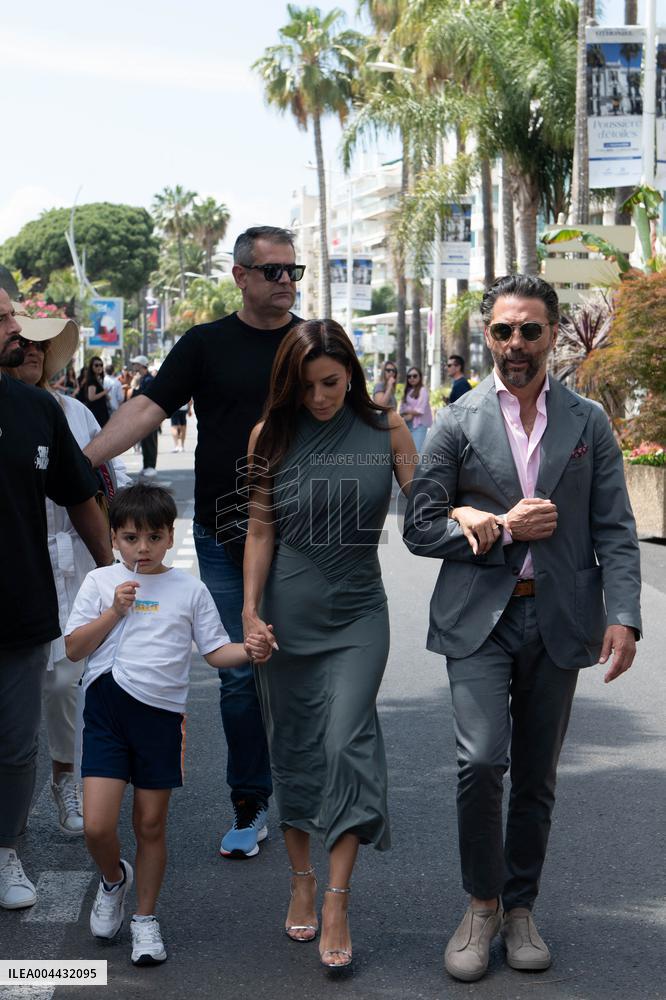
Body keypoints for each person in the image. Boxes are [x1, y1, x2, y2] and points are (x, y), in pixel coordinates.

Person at [403, 274, 642, 983]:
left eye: (529, 330)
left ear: (554, 334)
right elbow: (420, 523)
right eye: (503, 330)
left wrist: (623, 614)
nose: (516, 344)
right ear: (487, 336)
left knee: (536, 775)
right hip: (480, 616)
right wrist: (496, 527)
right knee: (480, 763)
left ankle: (520, 908)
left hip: (560, 615)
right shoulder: (458, 419)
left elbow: (615, 530)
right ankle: (481, 903)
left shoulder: (588, 421)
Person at [84, 226, 306, 859]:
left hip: (303, 537)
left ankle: (310, 797)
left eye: (294, 270)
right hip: (221, 532)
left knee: (301, 668)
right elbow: (150, 407)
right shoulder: (205, 344)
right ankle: (250, 803)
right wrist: (82, 462)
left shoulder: (310, 342)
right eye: (272, 271)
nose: (286, 281)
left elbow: (360, 415)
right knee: (240, 677)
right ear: (240, 276)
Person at [242, 319, 416, 972]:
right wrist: (250, 612)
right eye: (308, 385)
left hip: (359, 615)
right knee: (294, 749)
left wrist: (473, 516)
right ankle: (301, 879)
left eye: (332, 383)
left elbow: (424, 510)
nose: (320, 397)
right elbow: (260, 532)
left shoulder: (386, 429)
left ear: (352, 374)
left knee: (345, 744)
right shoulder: (271, 435)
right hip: (287, 616)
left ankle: (338, 898)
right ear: (289, 384)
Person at [64, 483, 271, 966]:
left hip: (160, 718)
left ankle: (145, 920)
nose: (143, 548)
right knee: (96, 825)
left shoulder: (189, 588)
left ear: (169, 537)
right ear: (114, 537)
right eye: (131, 537)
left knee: (151, 824)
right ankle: (114, 879)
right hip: (106, 714)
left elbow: (217, 650)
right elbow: (74, 649)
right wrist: (115, 611)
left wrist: (253, 651)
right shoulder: (100, 584)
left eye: (153, 537)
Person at [0, 289, 112, 911]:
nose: (19, 333)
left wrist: (120, 577)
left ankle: (7, 849)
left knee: (22, 736)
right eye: (6, 320)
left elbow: (84, 496)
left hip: (30, 596)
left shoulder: (43, 412)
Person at [129, 356, 158, 477]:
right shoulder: (143, 379)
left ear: (141, 365)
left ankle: (151, 465)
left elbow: (145, 396)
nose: (133, 366)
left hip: (150, 414)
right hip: (144, 414)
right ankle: (146, 465)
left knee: (150, 440)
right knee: (145, 441)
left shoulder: (149, 380)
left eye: (135, 364)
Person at [399, 366, 432, 451]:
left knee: (416, 452)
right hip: (407, 424)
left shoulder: (422, 390)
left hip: (419, 425)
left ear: (420, 377)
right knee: (408, 451)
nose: (412, 378)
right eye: (409, 376)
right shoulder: (408, 390)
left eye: (414, 376)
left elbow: (420, 410)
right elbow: (401, 409)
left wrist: (406, 411)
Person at [83, 356, 111, 426]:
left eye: (101, 365)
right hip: (97, 413)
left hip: (101, 411)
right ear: (91, 367)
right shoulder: (92, 381)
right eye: (96, 365)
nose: (99, 367)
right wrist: (104, 392)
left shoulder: (97, 379)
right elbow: (91, 397)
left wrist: (105, 395)